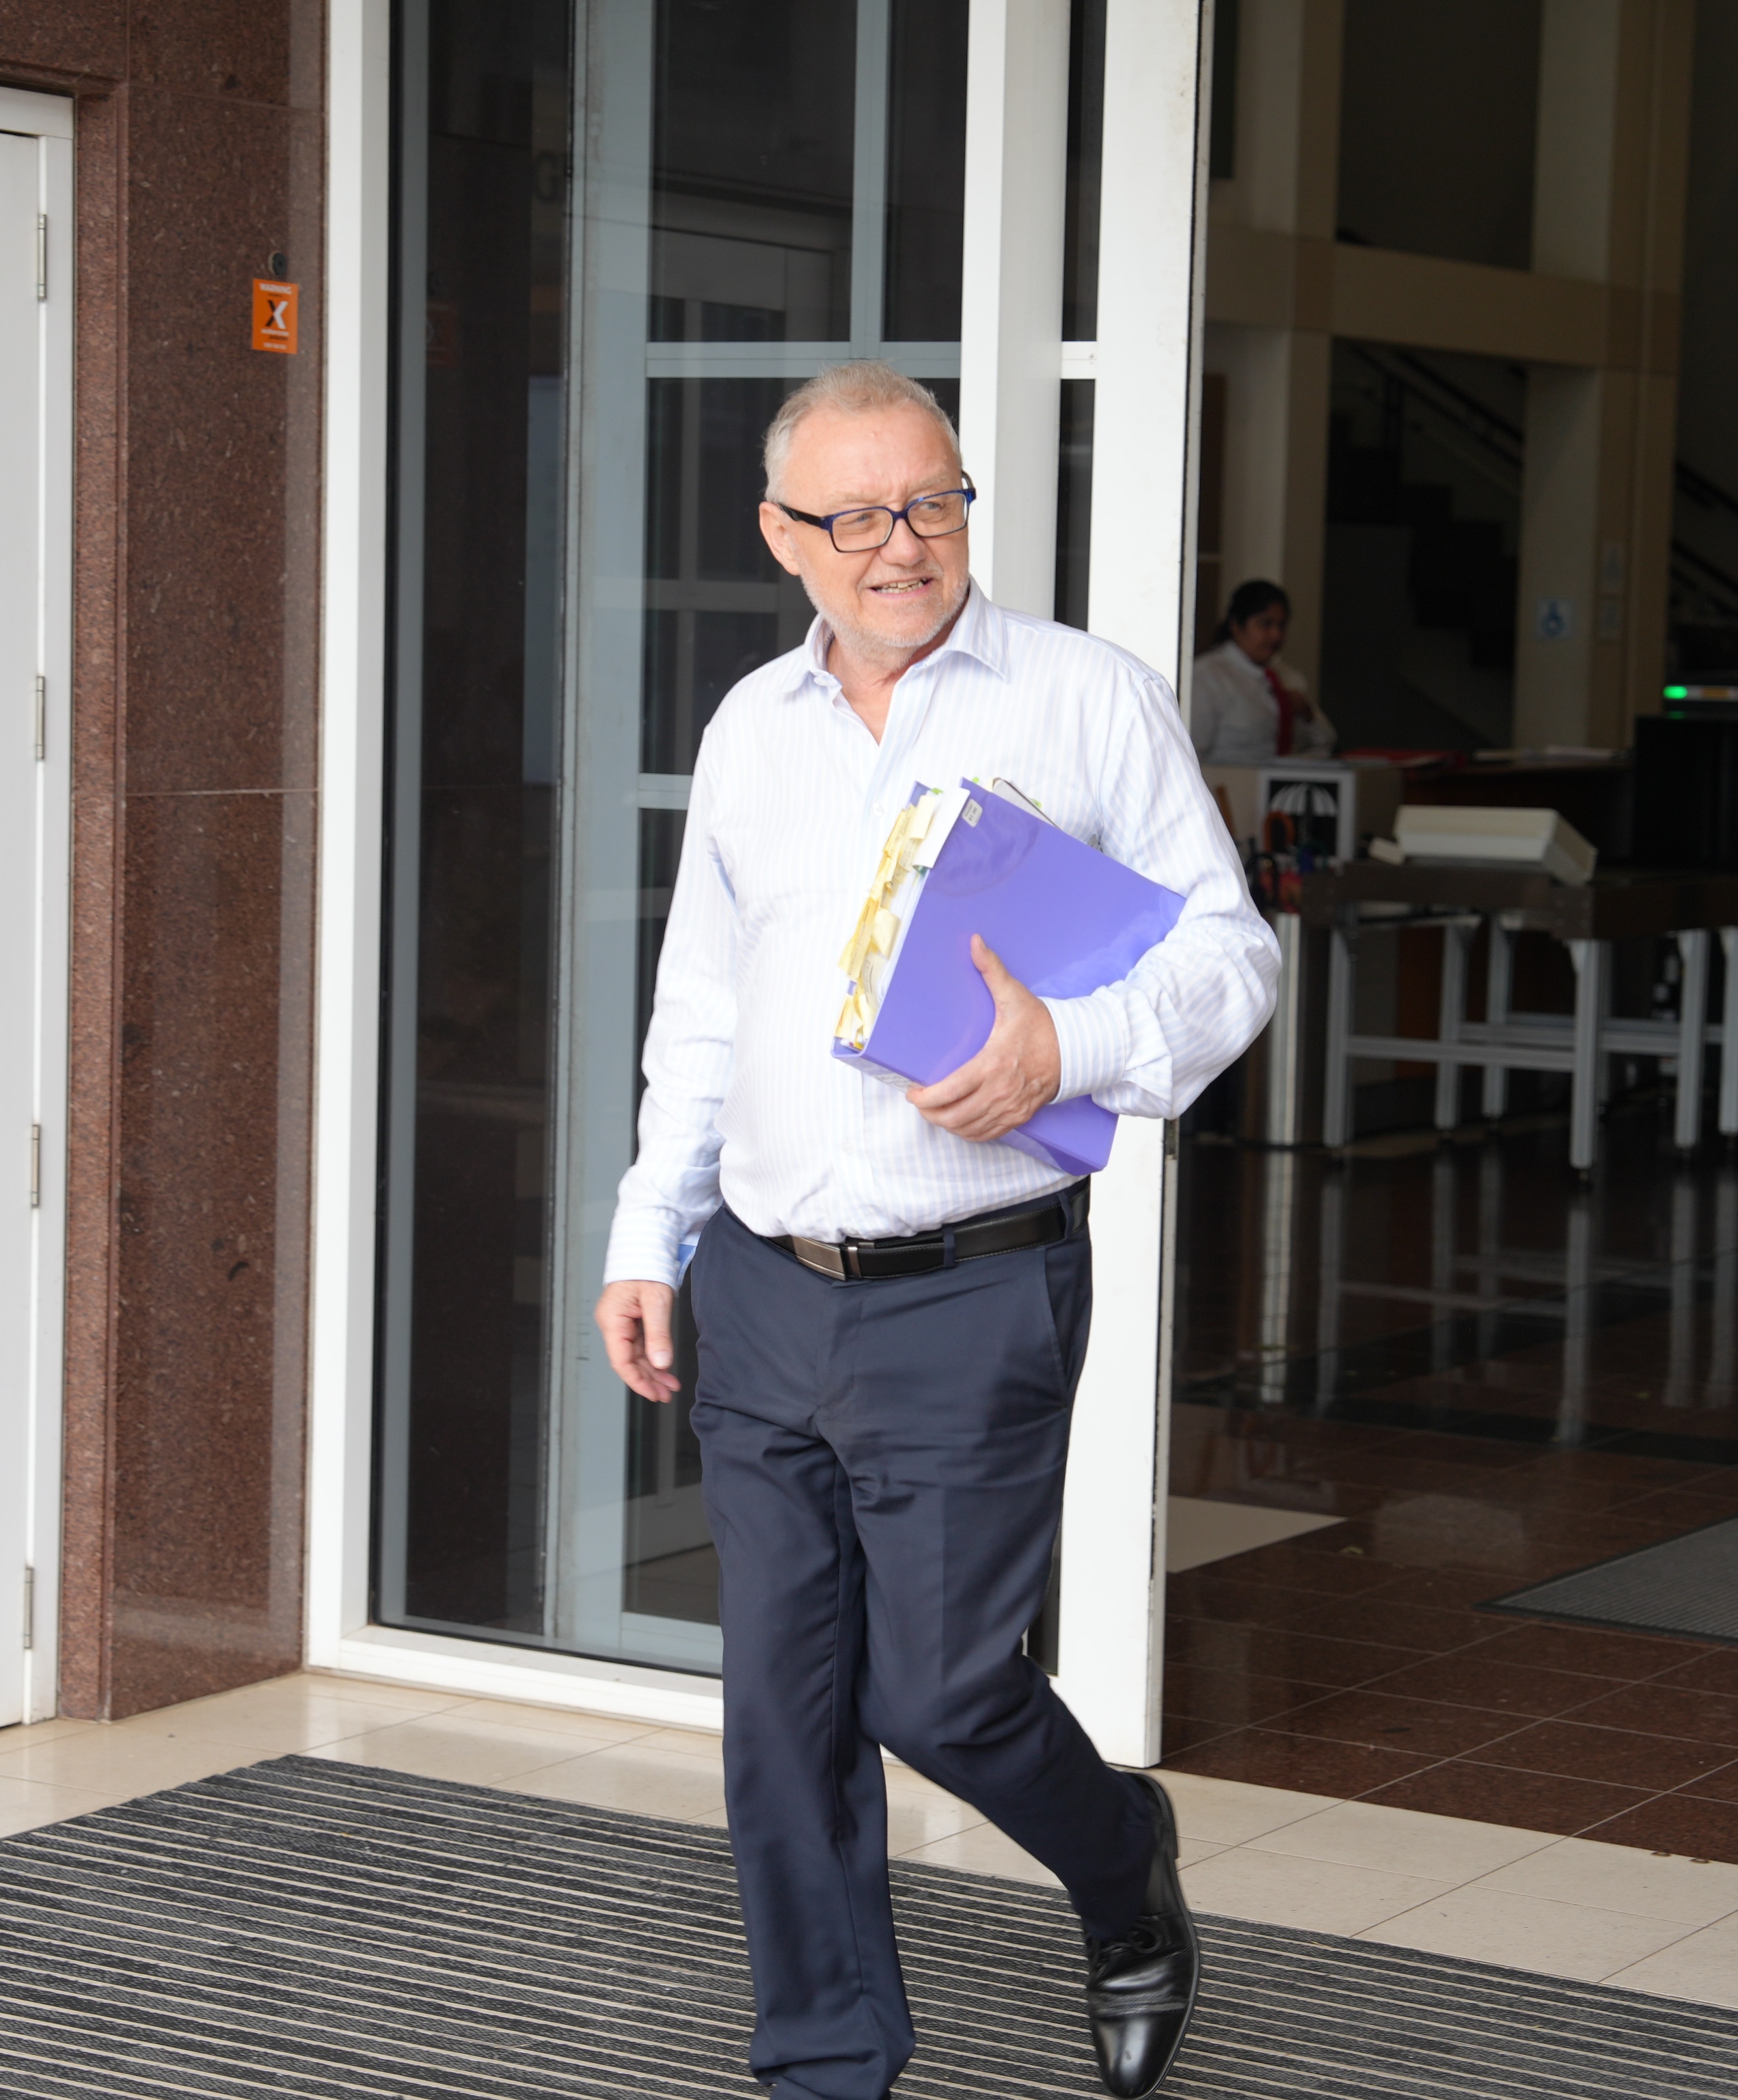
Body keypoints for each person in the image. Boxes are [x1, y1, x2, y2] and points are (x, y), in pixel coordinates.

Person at [593, 360, 1279, 2100]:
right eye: (859, 514)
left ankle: (1122, 1866)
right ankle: (827, 2060)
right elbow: (700, 1011)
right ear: (782, 535)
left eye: (936, 501)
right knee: (784, 1719)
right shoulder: (753, 726)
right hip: (759, 1285)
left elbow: (1232, 957)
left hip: (972, 1290)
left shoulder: (1081, 700)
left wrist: (1075, 1043)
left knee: (946, 1694)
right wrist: (645, 1230)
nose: (905, 544)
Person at [1189, 578, 1334, 762]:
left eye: (1281, 626)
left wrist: (1307, 714)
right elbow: (1192, 753)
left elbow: (1326, 743)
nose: (1276, 635)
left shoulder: (1289, 677)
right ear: (1236, 625)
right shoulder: (1207, 676)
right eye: (1265, 624)